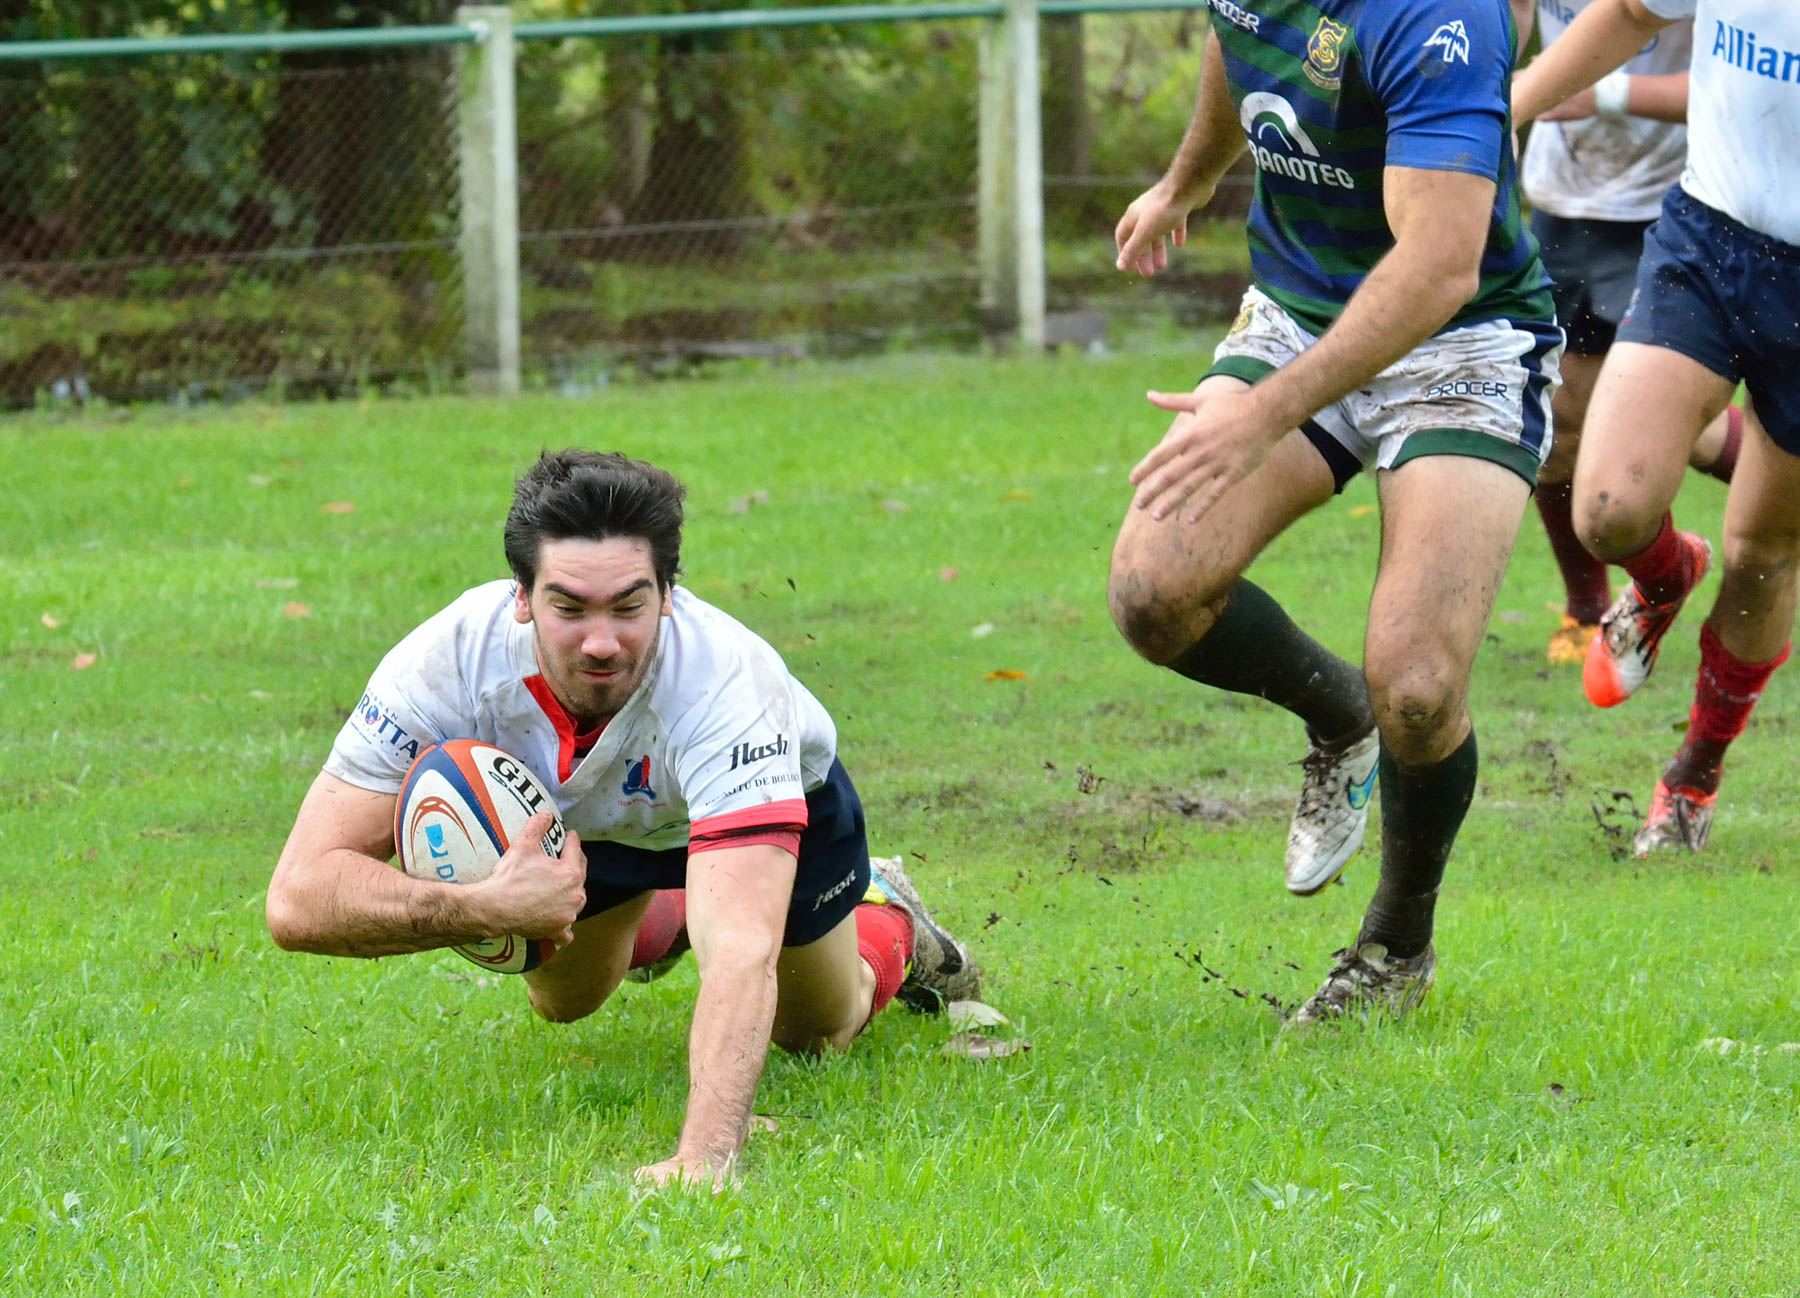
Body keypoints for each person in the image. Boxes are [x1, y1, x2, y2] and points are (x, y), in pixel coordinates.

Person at [266, 450, 980, 1189]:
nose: (600, 642)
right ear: (522, 596)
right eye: (569, 608)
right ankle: (673, 905)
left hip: (769, 805)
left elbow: (740, 953)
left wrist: (705, 1160)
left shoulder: (728, 685)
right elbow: (296, 900)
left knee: (816, 1034)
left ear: (668, 594)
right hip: (585, 829)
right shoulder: (446, 663)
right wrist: (481, 907)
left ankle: (889, 911)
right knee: (560, 1002)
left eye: (629, 607)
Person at [1109, 1, 1562, 1021]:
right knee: (1152, 591)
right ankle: (1335, 713)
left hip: (1464, 343)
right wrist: (1190, 177)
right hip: (1297, 313)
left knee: (1417, 682)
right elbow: (1235, 45)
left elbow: (1442, 264)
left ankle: (1396, 945)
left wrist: (1264, 412)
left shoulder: (1439, 14)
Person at [1513, 0, 1800, 856]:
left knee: (1765, 555)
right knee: (1608, 508)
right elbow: (1636, 11)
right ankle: (1665, 577)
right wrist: (1510, 100)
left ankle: (1693, 776)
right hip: (1708, 243)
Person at [1518, 0, 1741, 666]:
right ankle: (1586, 611)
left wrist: (1606, 91)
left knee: (1662, 425)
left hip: (1665, 214)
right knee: (1552, 421)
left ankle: (1762, 521)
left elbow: (1731, 88)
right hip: (1559, 205)